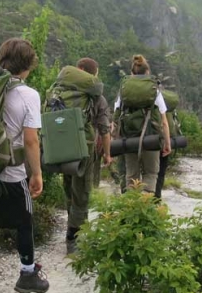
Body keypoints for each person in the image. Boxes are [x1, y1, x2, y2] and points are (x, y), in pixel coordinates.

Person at [0, 38, 49, 293]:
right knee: (24, 222)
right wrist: (37, 173)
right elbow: (31, 139)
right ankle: (27, 274)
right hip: (12, 173)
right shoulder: (29, 95)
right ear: (28, 66)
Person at [64, 58, 112, 255]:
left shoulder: (61, 90)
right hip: (85, 150)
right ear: (93, 74)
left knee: (68, 189)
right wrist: (108, 154)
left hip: (62, 147)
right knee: (81, 193)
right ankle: (73, 238)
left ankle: (72, 227)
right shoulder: (96, 97)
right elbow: (104, 129)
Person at [114, 54, 171, 194]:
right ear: (147, 72)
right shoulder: (154, 90)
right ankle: (145, 207)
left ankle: (131, 206)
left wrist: (114, 140)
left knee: (131, 176)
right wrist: (167, 143)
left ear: (132, 73)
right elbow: (164, 121)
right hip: (151, 138)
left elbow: (115, 118)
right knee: (150, 174)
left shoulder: (124, 89)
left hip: (129, 139)